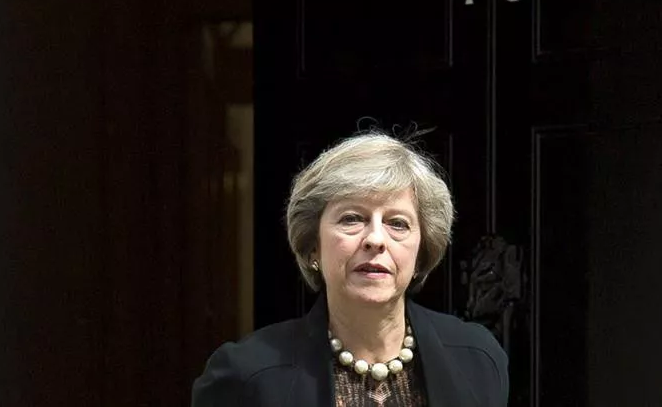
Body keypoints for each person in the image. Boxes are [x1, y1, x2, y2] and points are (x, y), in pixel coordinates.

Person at [191, 130, 509, 406]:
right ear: (313, 246)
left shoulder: (478, 360)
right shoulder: (245, 375)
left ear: (421, 252)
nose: (375, 239)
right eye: (352, 219)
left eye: (397, 223)